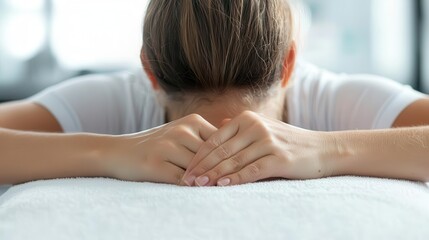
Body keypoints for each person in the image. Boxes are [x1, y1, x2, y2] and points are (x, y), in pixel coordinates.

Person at [0, 0, 428, 187]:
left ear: (289, 67)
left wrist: (324, 149)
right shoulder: (114, 101)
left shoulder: (336, 100)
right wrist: (112, 153)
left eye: (250, 134)